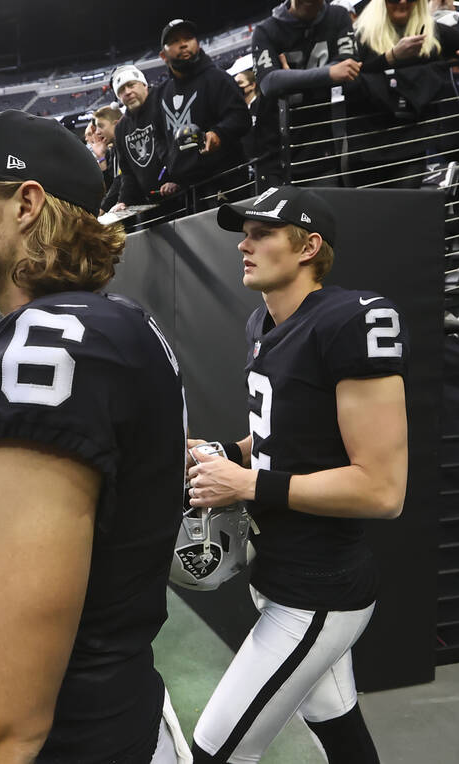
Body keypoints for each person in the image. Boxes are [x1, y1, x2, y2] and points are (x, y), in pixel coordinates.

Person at [0, 110, 189, 764]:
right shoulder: (121, 325)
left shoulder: (41, 350)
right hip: (132, 709)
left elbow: (11, 723)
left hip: (79, 737)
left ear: (25, 204)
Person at [185, 185, 408, 763]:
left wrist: (251, 485)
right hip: (282, 574)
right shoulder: (264, 321)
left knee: (216, 749)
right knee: (338, 726)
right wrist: (223, 454)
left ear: (309, 246)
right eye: (244, 231)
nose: (244, 243)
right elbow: (275, 434)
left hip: (319, 590)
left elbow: (382, 490)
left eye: (262, 233)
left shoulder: (346, 321)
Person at [342, 0, 459, 188]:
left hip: (410, 143)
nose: (402, 2)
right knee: (369, 210)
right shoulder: (359, 35)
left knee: (404, 208)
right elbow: (347, 77)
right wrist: (392, 57)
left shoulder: (431, 32)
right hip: (367, 144)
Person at [250, 0, 361, 185]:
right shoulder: (266, 30)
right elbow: (269, 83)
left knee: (326, 208)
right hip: (275, 149)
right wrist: (329, 73)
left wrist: (290, 79)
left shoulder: (338, 16)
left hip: (321, 145)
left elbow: (349, 66)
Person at [157, 19, 252, 192]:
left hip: (226, 182)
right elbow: (159, 136)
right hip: (185, 190)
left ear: (198, 44)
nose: (183, 44)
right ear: (163, 55)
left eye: (188, 38)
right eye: (175, 41)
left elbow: (241, 117)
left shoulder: (218, 78)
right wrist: (172, 161)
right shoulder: (162, 93)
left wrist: (218, 134)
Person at [109, 64, 175, 211]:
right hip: (150, 203)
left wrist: (176, 179)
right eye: (121, 90)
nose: (128, 92)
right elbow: (127, 172)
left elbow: (178, 145)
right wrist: (123, 200)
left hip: (181, 195)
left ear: (144, 84)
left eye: (131, 85)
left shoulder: (163, 103)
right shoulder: (121, 128)